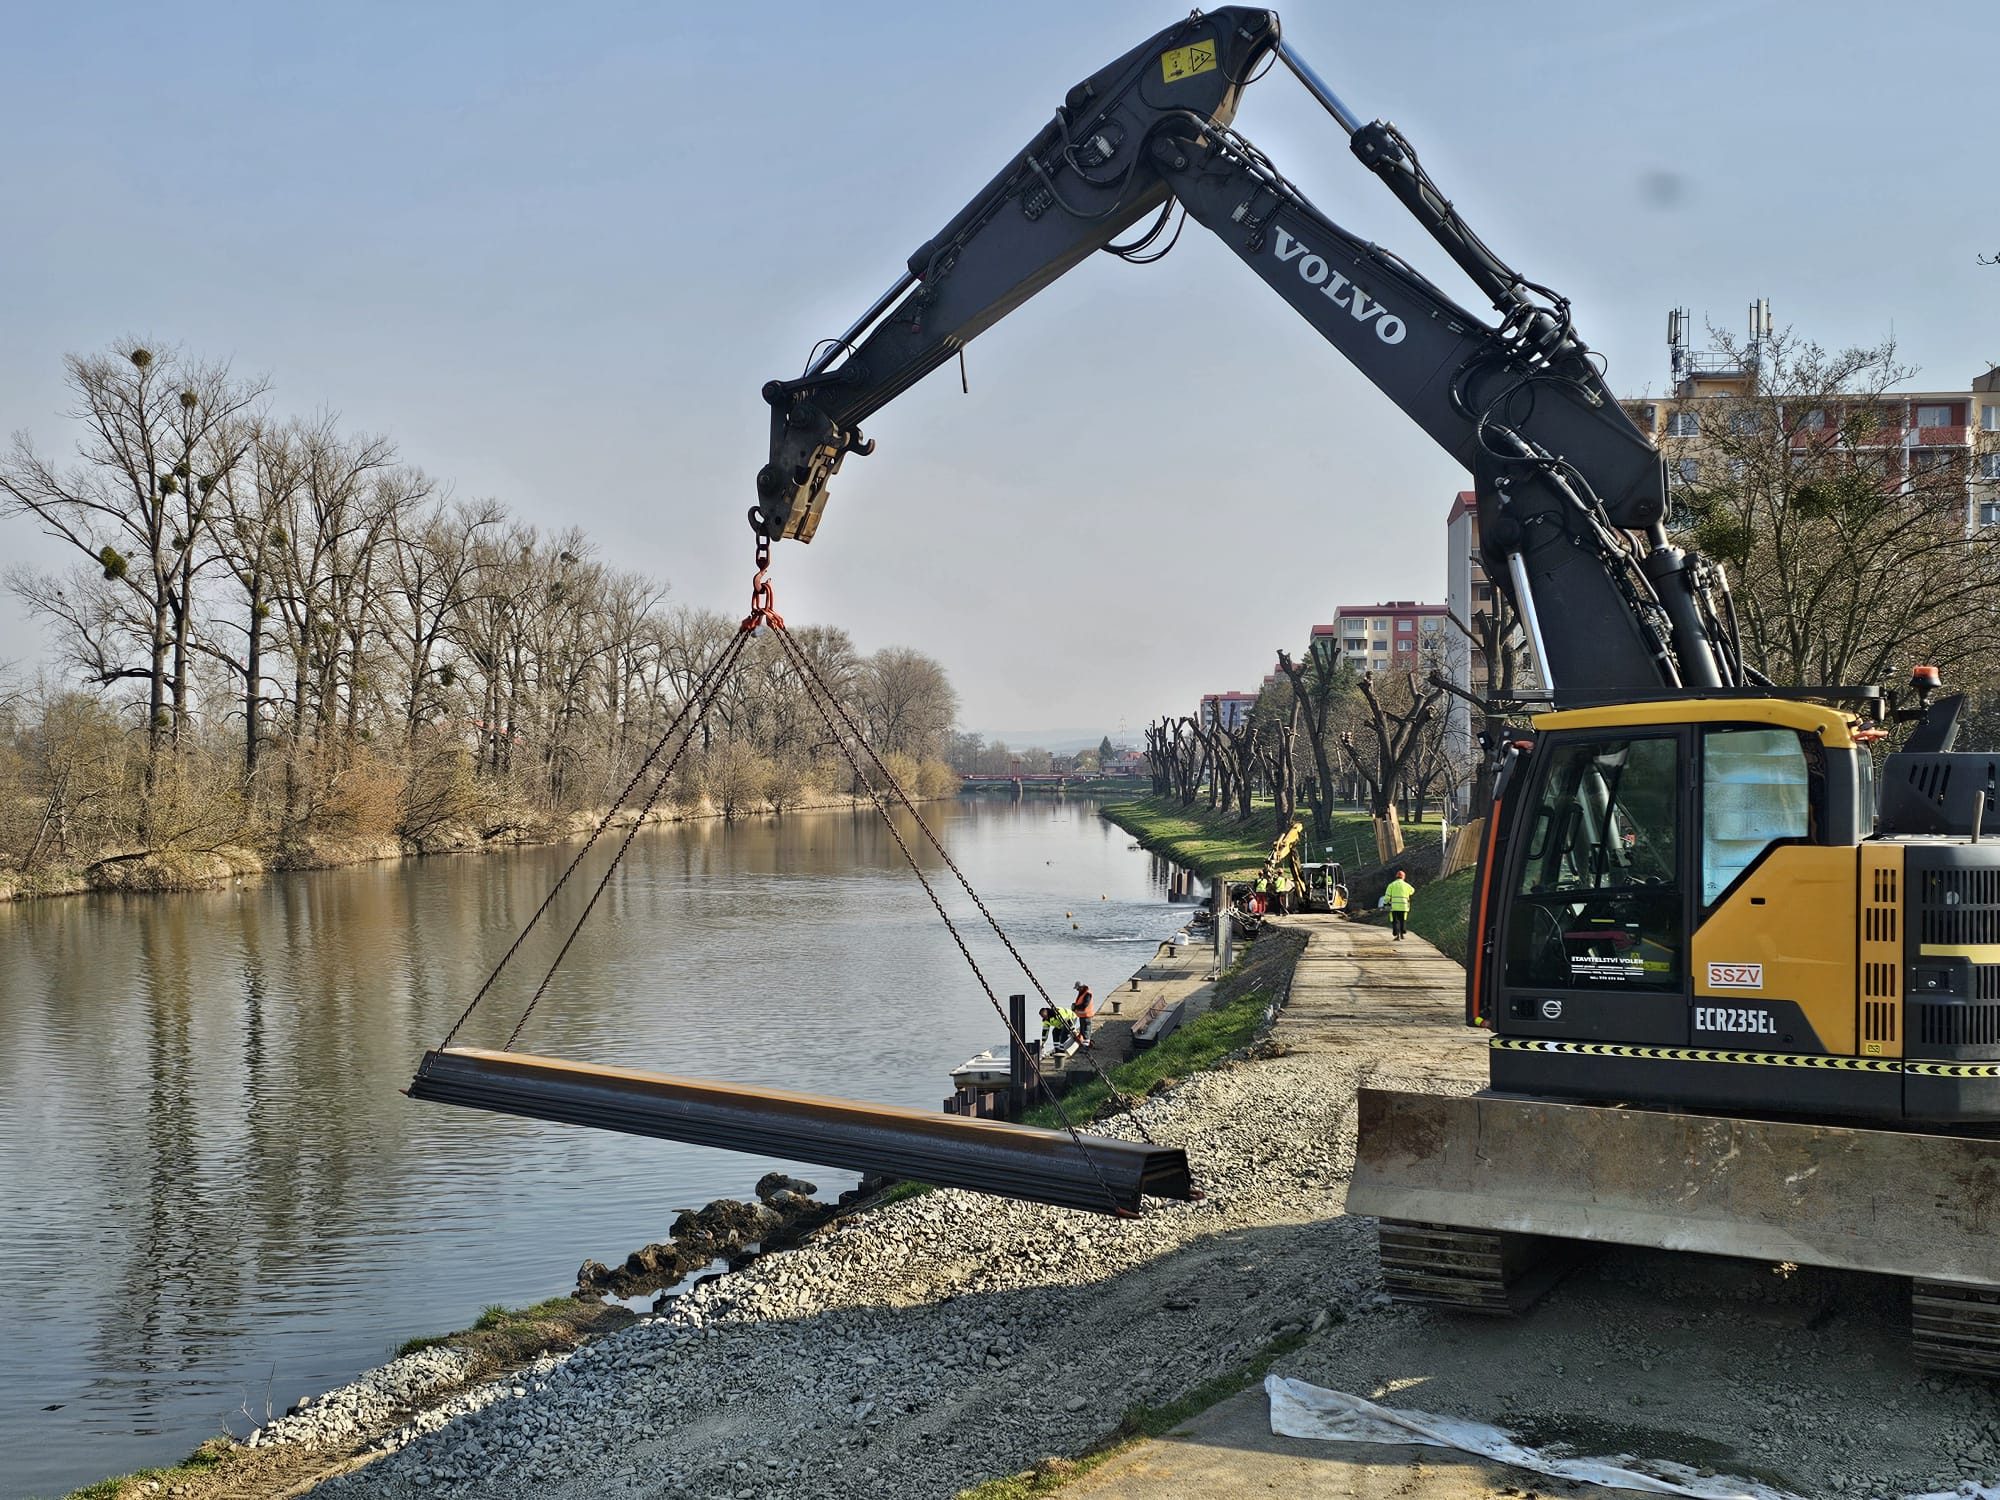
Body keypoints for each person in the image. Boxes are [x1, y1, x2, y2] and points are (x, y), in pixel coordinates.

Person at [1384, 869, 1415, 941]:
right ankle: (1402, 933)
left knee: (1395, 921)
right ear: (1403, 877)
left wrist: (1386, 902)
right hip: (1404, 906)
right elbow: (1412, 891)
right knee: (1402, 920)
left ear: (1396, 877)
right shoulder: (1407, 885)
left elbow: (1387, 896)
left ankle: (1396, 934)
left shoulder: (1391, 885)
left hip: (1394, 907)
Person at [1071, 981, 1097, 1047]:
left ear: (1081, 987)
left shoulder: (1087, 994)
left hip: (1086, 1016)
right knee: (1082, 1031)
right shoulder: (1082, 992)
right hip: (1082, 1016)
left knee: (1086, 1031)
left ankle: (1086, 1047)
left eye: (1077, 988)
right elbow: (1080, 1003)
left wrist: (1076, 1007)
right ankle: (1084, 1044)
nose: (1077, 990)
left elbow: (1085, 1005)